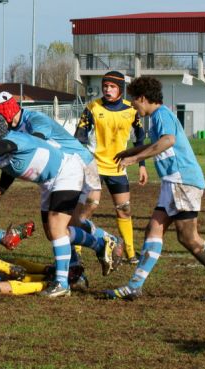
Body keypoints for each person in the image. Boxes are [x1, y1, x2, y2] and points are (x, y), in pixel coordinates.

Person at [0, 114, 122, 298]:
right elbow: (8, 167)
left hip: (67, 171)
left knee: (57, 227)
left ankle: (62, 284)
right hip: (48, 182)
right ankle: (100, 245)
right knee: (53, 233)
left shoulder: (14, 139)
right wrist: (0, 189)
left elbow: (2, 146)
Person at [104, 76, 205, 302]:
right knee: (153, 229)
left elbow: (168, 141)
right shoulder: (159, 116)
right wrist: (130, 152)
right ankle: (134, 286)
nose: (133, 106)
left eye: (133, 101)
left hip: (182, 181)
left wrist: (136, 159)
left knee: (189, 238)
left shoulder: (161, 115)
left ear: (143, 98)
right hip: (172, 182)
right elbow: (159, 142)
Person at [0, 92, 108, 284]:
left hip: (79, 165)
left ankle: (100, 244)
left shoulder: (35, 120)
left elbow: (31, 146)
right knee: (54, 230)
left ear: (4, 114)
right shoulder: (12, 132)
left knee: (68, 223)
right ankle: (76, 267)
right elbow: (12, 158)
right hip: (54, 176)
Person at [75, 71, 148, 264]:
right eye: (105, 86)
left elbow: (140, 139)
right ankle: (76, 250)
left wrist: (142, 165)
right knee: (89, 207)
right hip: (94, 167)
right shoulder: (92, 107)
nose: (108, 90)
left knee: (124, 210)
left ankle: (131, 254)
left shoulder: (131, 110)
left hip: (118, 168)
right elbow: (79, 137)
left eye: (112, 87)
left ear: (120, 89)